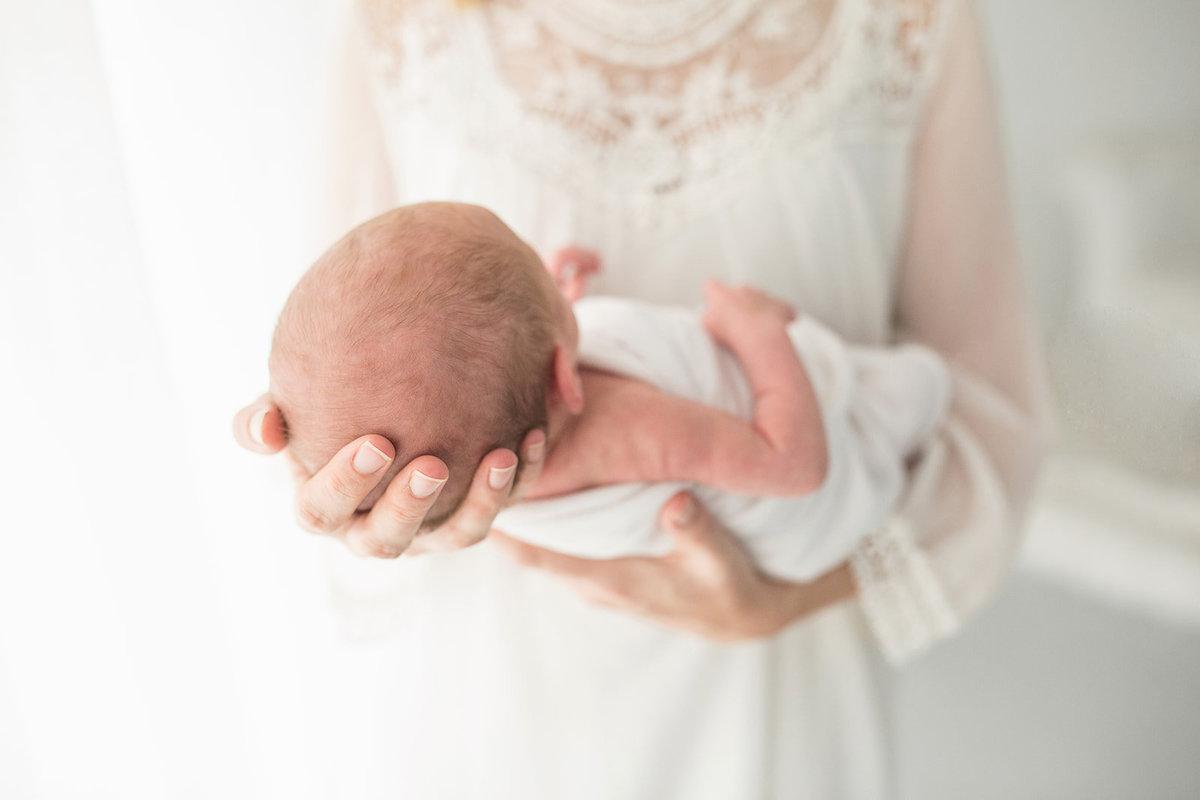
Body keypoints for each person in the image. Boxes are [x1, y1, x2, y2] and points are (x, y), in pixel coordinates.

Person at [232, 0, 1051, 796]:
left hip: (772, 691)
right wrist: (350, 498)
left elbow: (991, 416)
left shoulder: (904, 18)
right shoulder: (403, 20)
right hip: (490, 697)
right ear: (568, 370)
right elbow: (369, 362)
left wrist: (789, 600)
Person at [269, 200, 950, 580]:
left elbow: (489, 376)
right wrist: (759, 333)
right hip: (826, 491)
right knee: (921, 386)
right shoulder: (629, 429)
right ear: (567, 372)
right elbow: (792, 466)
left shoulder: (488, 450)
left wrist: (545, 307)